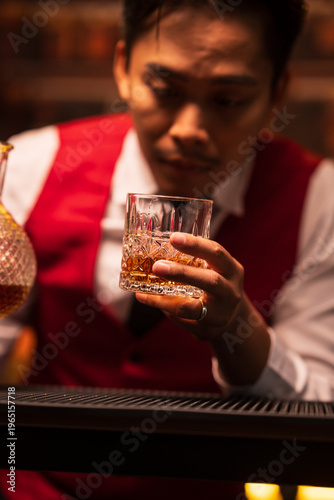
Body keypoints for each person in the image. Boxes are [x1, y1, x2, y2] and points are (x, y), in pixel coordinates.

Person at [0, 0, 333, 498]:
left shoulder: (318, 199)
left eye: (227, 100)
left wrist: (237, 330)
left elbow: (320, 412)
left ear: (277, 91)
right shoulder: (31, 164)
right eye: (164, 89)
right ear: (122, 69)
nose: (188, 130)